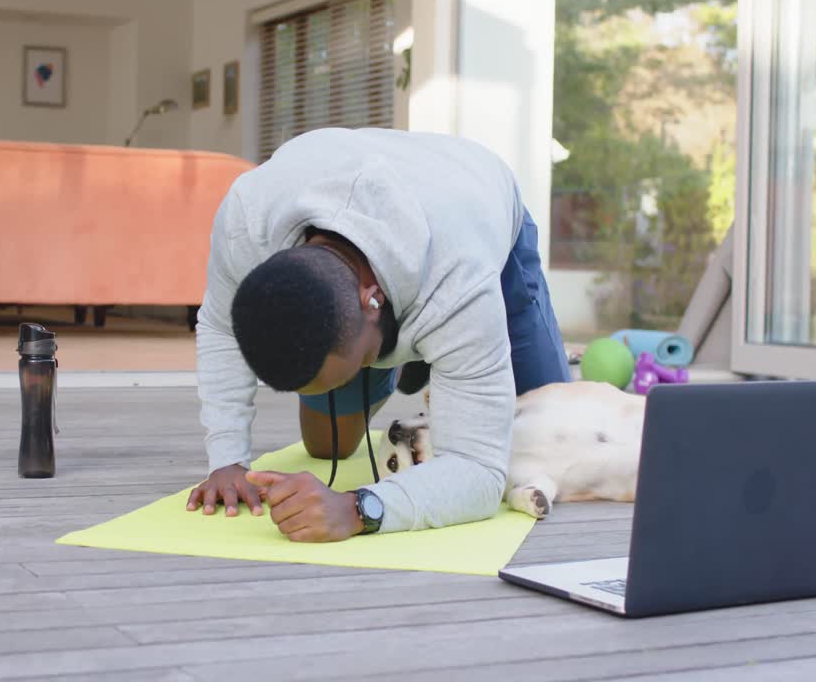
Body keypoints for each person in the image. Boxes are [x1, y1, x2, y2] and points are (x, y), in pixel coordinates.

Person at [185, 127, 571, 542]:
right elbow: (221, 328)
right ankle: (415, 357)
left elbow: (479, 470)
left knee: (551, 439)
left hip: (473, 199)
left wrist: (358, 509)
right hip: (383, 272)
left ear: (373, 302)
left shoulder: (461, 279)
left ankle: (428, 352)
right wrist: (227, 460)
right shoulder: (246, 225)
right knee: (326, 447)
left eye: (354, 366)